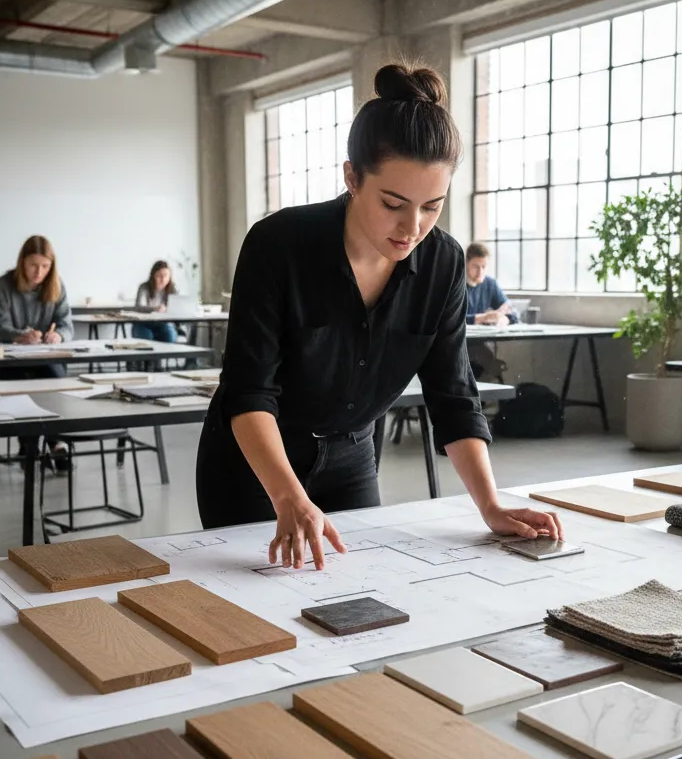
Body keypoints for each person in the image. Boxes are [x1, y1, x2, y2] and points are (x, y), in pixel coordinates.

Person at [195, 62, 563, 569]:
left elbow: (453, 395)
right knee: (252, 617)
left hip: (351, 460)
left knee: (352, 598)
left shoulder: (444, 263)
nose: (412, 228)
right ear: (352, 177)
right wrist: (287, 495)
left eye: (432, 207)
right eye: (394, 204)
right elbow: (248, 390)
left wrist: (490, 503)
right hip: (257, 466)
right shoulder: (279, 245)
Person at [0, 235, 73, 469]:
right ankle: (40, 444)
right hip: (9, 362)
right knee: (22, 384)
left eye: (45, 266)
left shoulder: (57, 285)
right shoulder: (2, 285)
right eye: (33, 265)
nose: (39, 272)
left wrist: (58, 335)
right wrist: (19, 335)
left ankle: (41, 444)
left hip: (44, 357)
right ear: (22, 263)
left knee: (54, 378)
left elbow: (66, 324)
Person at [465, 242, 518, 326]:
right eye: (475, 267)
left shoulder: (490, 283)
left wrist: (504, 318)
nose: (480, 272)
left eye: (484, 266)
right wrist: (481, 318)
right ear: (466, 263)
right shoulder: (456, 284)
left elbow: (512, 312)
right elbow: (450, 319)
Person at [132, 260, 179, 344]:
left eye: (166, 276)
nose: (163, 279)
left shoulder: (172, 288)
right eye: (159, 276)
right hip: (143, 323)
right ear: (153, 276)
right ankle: (151, 357)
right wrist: (155, 309)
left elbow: (177, 306)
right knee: (146, 341)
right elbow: (139, 307)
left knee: (170, 336)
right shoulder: (144, 287)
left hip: (164, 323)